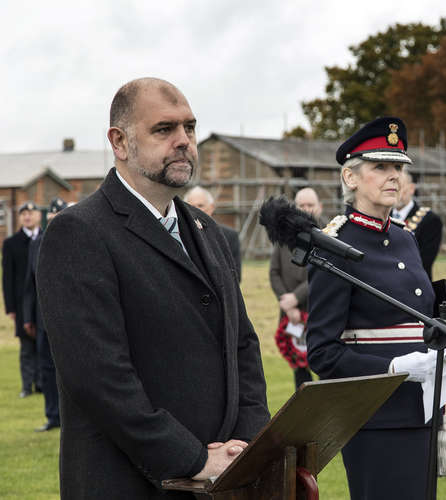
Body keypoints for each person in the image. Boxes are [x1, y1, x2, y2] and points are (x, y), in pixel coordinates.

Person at [36, 77, 269, 499]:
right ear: (120, 142)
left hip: (223, 481)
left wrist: (249, 443)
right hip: (129, 482)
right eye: (164, 129)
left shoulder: (209, 232)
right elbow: (99, 377)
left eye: (190, 128)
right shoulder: (80, 233)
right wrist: (194, 460)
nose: (184, 141)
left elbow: (242, 347)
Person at [306, 116, 446, 500]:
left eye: (398, 167)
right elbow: (322, 352)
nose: (394, 175)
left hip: (422, 409)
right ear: (351, 178)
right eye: (380, 166)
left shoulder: (404, 239)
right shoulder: (335, 245)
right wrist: (390, 369)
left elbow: (417, 318)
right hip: (374, 418)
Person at [269, 187, 322, 388]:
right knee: (300, 375)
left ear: (319, 207)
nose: (306, 210)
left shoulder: (329, 235)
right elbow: (274, 272)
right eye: (301, 205)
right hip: (290, 316)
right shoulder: (282, 237)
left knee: (324, 371)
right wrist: (287, 303)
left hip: (318, 312)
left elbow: (322, 274)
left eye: (310, 205)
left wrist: (296, 298)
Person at [23, 198, 68, 432]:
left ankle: (73, 418)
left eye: (57, 218)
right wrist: (28, 317)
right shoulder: (36, 243)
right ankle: (53, 416)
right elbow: (31, 284)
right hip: (43, 319)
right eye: (50, 219)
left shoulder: (77, 240)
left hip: (69, 319)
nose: (53, 223)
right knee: (47, 369)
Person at [2, 201, 41, 398]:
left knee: (44, 345)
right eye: (23, 213)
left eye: (31, 213)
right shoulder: (11, 244)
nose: (27, 217)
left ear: (38, 216)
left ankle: (42, 383)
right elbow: (7, 277)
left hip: (42, 302)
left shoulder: (47, 238)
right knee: (26, 347)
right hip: (21, 303)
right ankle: (27, 385)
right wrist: (10, 307)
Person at [391, 170, 443, 279]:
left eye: (400, 186)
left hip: (415, 284)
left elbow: (424, 262)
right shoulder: (383, 217)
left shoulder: (430, 220)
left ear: (411, 189)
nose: (395, 190)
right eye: (392, 185)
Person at [184, 185, 242, 281]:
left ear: (211, 208)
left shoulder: (229, 236)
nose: (196, 210)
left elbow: (235, 276)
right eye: (191, 206)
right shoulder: (179, 233)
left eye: (200, 206)